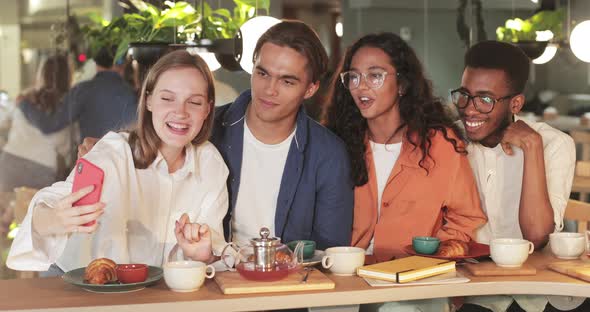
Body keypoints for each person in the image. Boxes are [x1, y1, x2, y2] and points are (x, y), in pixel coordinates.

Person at [79, 20, 354, 250]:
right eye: (262, 73)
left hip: (286, 289)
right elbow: (155, 139)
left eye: (287, 81)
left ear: (310, 89)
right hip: (208, 281)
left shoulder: (328, 154)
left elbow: (329, 251)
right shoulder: (206, 128)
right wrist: (108, 148)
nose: (270, 89)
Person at [7, 50, 228, 274]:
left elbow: (211, 249)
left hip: (155, 294)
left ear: (208, 109)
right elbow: (49, 208)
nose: (180, 112)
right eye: (167, 98)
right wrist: (55, 218)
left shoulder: (211, 164)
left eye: (194, 102)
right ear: (149, 100)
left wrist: (202, 254)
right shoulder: (113, 152)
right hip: (81, 283)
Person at [325, 32, 487, 263]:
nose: (361, 87)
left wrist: (429, 257)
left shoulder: (440, 143)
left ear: (402, 84)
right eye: (354, 77)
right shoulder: (338, 143)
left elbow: (466, 217)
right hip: (347, 276)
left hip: (415, 282)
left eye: (375, 76)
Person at [453, 41, 578, 312]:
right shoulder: (448, 141)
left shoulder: (553, 144)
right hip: (471, 291)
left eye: (485, 99)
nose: (469, 109)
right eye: (464, 94)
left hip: (538, 293)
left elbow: (535, 236)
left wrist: (532, 148)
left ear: (516, 103)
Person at [18, 47, 138, 142]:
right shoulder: (135, 94)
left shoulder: (82, 90)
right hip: (127, 163)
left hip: (93, 162)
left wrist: (23, 104)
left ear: (96, 63)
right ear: (121, 64)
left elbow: (49, 124)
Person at [0, 54, 76, 193]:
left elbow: (6, 122)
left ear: (42, 74)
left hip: (10, 162)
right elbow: (65, 148)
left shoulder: (26, 97)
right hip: (40, 168)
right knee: (32, 213)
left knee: (7, 213)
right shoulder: (66, 107)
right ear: (67, 77)